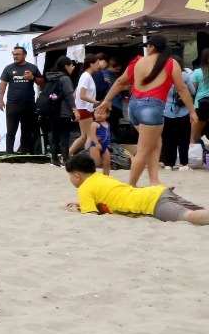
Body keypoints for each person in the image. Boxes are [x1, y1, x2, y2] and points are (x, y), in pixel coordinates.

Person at [96, 35, 197, 188]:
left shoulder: (137, 62)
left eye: (147, 46)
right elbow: (182, 89)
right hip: (152, 108)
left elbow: (120, 82)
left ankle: (154, 181)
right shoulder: (171, 63)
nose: (146, 49)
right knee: (144, 150)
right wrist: (192, 111)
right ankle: (131, 186)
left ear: (152, 47)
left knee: (156, 143)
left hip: (134, 107)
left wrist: (106, 100)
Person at [63, 151, 207, 224]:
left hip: (151, 203)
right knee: (200, 211)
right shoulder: (102, 178)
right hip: (158, 191)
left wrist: (75, 210)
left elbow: (90, 217)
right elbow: (108, 198)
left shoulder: (84, 188)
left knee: (188, 216)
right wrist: (81, 204)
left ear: (76, 176)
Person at [0, 45, 44, 155]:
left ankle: (23, 152)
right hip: (13, 104)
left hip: (28, 104)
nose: (15, 56)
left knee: (26, 130)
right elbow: (3, 85)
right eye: (14, 54)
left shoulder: (32, 68)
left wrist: (33, 78)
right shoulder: (9, 68)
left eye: (18, 54)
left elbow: (42, 83)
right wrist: (0, 100)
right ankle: (9, 152)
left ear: (25, 55)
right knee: (11, 130)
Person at [39, 55, 77, 166]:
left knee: (54, 135)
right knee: (64, 135)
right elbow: (69, 95)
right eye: (71, 65)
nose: (72, 68)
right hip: (63, 111)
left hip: (51, 110)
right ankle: (66, 159)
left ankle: (54, 159)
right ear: (66, 66)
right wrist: (75, 110)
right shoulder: (65, 78)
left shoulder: (51, 77)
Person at [160, 49, 193, 171]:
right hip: (183, 112)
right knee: (183, 139)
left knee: (168, 139)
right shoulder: (184, 76)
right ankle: (184, 164)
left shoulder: (163, 77)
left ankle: (168, 163)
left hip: (167, 111)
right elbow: (192, 91)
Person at [69, 53, 102, 159]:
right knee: (89, 135)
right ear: (91, 64)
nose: (99, 65)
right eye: (97, 63)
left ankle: (68, 155)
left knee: (84, 136)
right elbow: (81, 95)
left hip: (83, 108)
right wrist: (95, 101)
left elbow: (76, 94)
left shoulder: (85, 76)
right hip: (84, 108)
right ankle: (87, 157)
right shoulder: (86, 77)